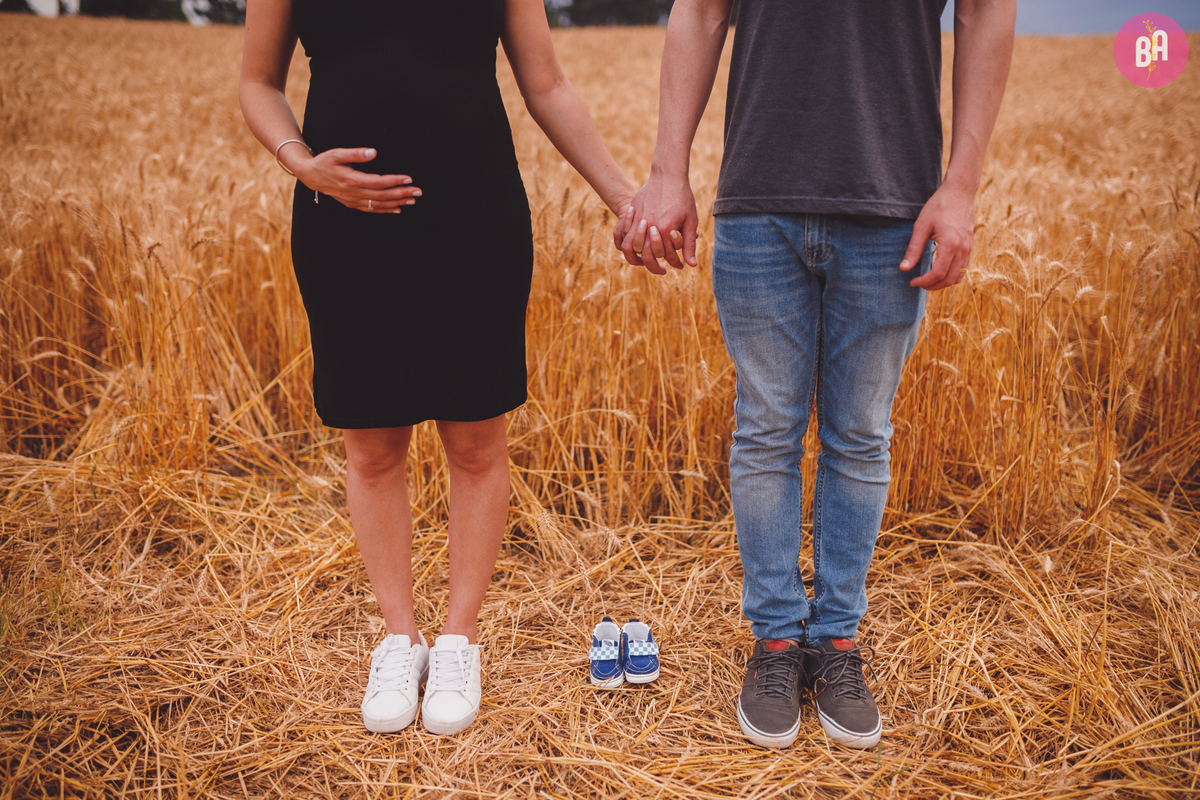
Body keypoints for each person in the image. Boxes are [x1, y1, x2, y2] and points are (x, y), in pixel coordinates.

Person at [616, 0, 1014, 749]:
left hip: (893, 202)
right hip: (758, 200)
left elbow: (988, 12)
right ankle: (774, 642)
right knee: (765, 430)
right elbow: (700, 12)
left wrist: (960, 187)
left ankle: (835, 645)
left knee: (859, 434)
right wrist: (667, 172)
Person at [239, 0, 635, 736]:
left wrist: (622, 197)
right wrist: (304, 167)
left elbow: (546, 85)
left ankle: (458, 641)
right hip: (344, 222)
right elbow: (257, 81)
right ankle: (400, 639)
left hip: (475, 216)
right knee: (372, 443)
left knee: (476, 441)